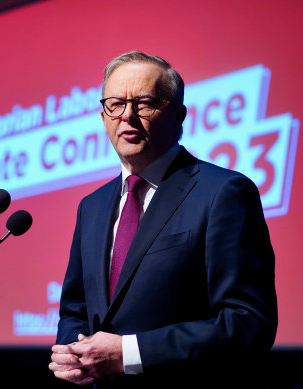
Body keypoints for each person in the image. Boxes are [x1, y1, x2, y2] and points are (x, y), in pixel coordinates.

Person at [49, 51, 278, 387]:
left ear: (178, 116)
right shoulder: (92, 206)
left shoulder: (224, 193)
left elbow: (248, 323)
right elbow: (74, 310)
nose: (128, 116)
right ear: (102, 116)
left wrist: (128, 354)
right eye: (115, 104)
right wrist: (73, 351)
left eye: (145, 103)